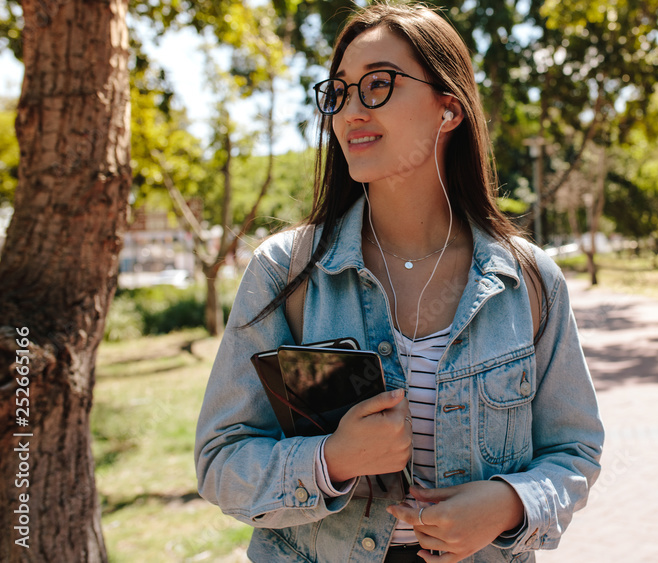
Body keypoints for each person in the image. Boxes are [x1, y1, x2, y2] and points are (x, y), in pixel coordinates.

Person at [194, 4, 603, 562]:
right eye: (338, 93)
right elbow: (220, 461)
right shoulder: (284, 272)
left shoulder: (528, 280)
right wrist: (332, 459)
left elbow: (574, 451)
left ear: (449, 108)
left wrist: (509, 504)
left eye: (378, 85)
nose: (350, 113)